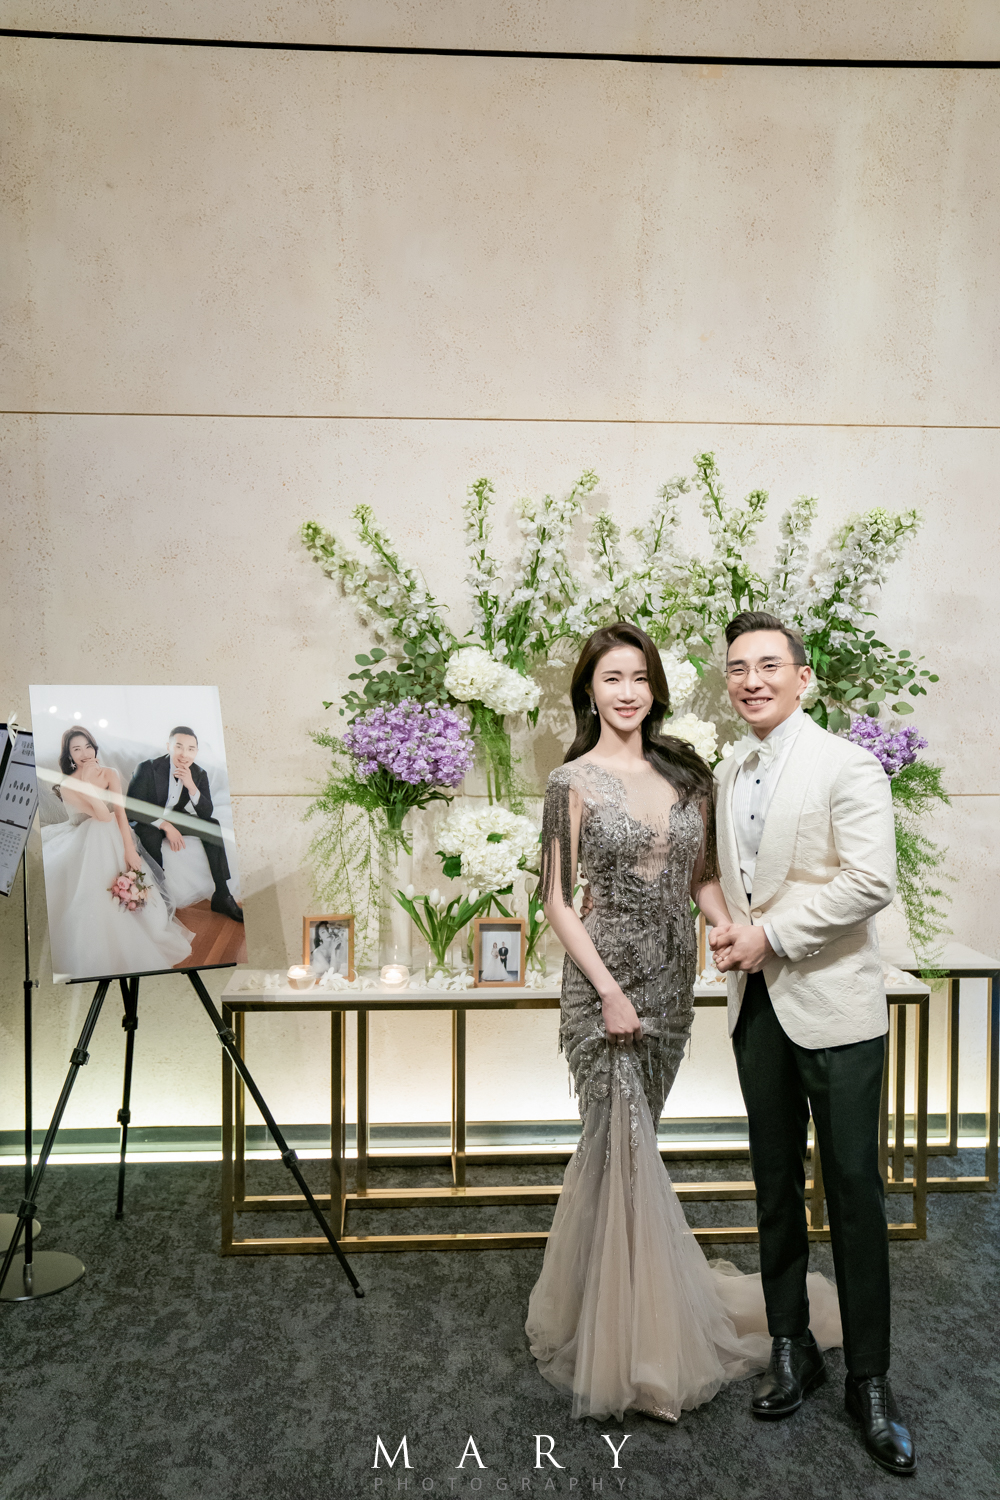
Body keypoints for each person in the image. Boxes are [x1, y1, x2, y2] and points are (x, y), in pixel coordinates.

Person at [525, 622, 841, 1422]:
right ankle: (631, 1346)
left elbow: (702, 880)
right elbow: (556, 900)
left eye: (639, 677)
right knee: (618, 1141)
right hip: (604, 984)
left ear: (656, 688)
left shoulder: (688, 775)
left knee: (631, 1148)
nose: (627, 692)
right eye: (611, 679)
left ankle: (617, 1310)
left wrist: (731, 932)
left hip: (670, 986)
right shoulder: (570, 782)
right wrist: (606, 990)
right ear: (588, 692)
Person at [709, 610, 915, 1476]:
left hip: (834, 1008)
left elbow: (871, 880)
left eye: (767, 665)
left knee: (855, 1192)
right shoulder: (727, 770)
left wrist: (770, 936)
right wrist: (728, 929)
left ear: (803, 677)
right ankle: (791, 1345)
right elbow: (728, 879)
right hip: (757, 1008)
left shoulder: (848, 763)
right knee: (772, 1185)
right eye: (736, 668)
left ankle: (870, 1379)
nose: (750, 680)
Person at [43, 727, 193, 981]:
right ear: (69, 755)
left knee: (111, 834)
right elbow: (102, 815)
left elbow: (119, 814)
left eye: (88, 747)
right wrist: (87, 782)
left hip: (110, 831)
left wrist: (130, 849)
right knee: (98, 828)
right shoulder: (67, 785)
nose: (84, 753)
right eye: (76, 749)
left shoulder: (109, 773)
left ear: (95, 748)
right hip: (83, 834)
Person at [127, 727, 243, 923]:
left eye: (191, 749)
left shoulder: (198, 773)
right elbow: (131, 808)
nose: (184, 753)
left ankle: (222, 895)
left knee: (212, 825)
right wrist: (165, 825)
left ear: (196, 752)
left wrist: (191, 786)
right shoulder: (147, 767)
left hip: (176, 817)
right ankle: (161, 899)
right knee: (150, 836)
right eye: (179, 746)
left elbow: (206, 813)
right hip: (149, 820)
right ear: (169, 747)